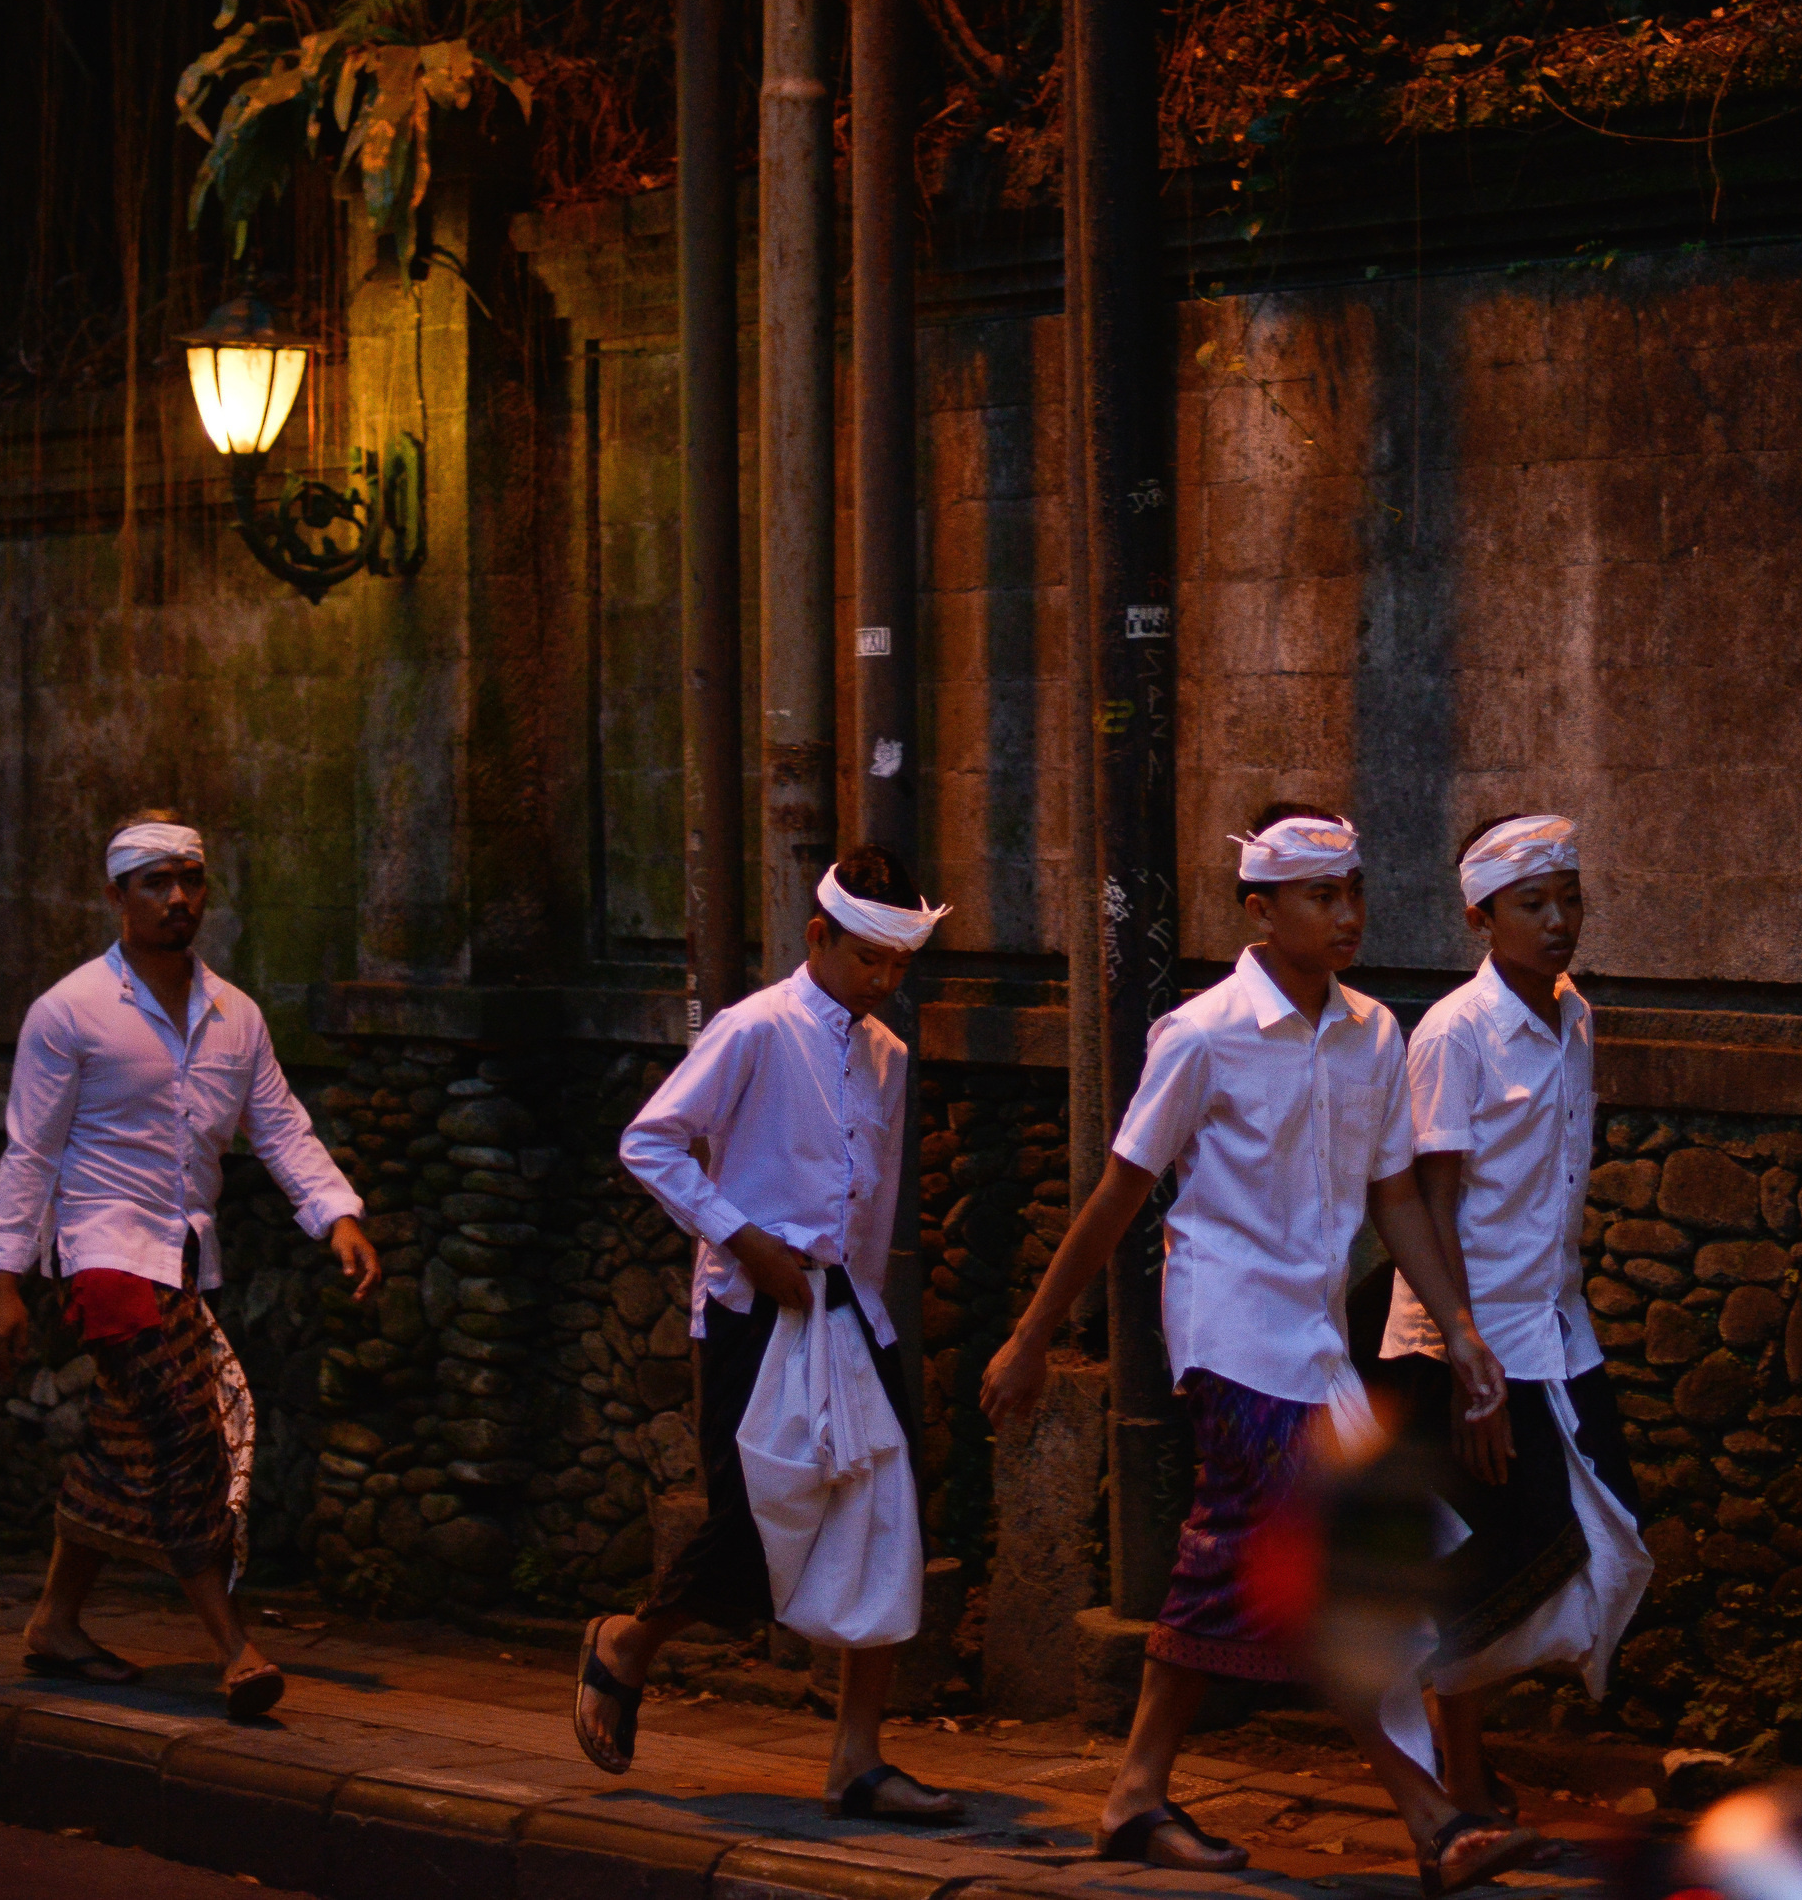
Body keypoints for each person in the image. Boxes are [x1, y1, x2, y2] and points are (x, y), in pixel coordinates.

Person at [981, 807, 1545, 1898]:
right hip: (1230, 1337)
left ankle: (1137, 1795)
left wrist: (1459, 1325)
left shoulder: (1374, 1031)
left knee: (1256, 1566)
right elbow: (1120, 1190)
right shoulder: (1200, 1033)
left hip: (1317, 1347)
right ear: (1259, 909)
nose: (1346, 916)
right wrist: (1032, 1333)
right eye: (1320, 896)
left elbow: (1393, 1196)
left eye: (1353, 892)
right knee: (1327, 1574)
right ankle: (1435, 1822)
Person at [571, 846, 960, 1824]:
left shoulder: (888, 1055)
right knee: (749, 1525)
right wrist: (744, 1240)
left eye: (898, 963)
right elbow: (649, 1141)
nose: (883, 980)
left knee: (887, 1511)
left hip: (849, 1314)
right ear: (818, 936)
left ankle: (858, 1756)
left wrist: (857, 1308)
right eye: (868, 957)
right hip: (753, 1315)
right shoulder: (754, 1029)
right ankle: (626, 1641)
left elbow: (868, 1208)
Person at [0, 811, 381, 1719]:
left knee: (128, 1440)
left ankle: (55, 1622)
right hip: (104, 1259)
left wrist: (338, 1216)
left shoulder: (236, 1015)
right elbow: (29, 1150)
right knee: (187, 1431)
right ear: (116, 895)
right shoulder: (69, 1012)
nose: (178, 897)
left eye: (190, 879)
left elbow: (279, 1126)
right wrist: (3, 1281)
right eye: (155, 882)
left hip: (184, 1259)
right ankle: (235, 1646)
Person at [1375, 813, 1650, 1824]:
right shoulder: (1455, 1031)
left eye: (1568, 898)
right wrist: (1465, 1362)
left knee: (1597, 1533)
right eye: (1532, 903)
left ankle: (1456, 1752)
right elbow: (1431, 1199)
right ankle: (1457, 1767)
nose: (1557, 920)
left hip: (1555, 1327)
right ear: (1479, 914)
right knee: (1502, 1555)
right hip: (1468, 1337)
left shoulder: (1573, 1014)